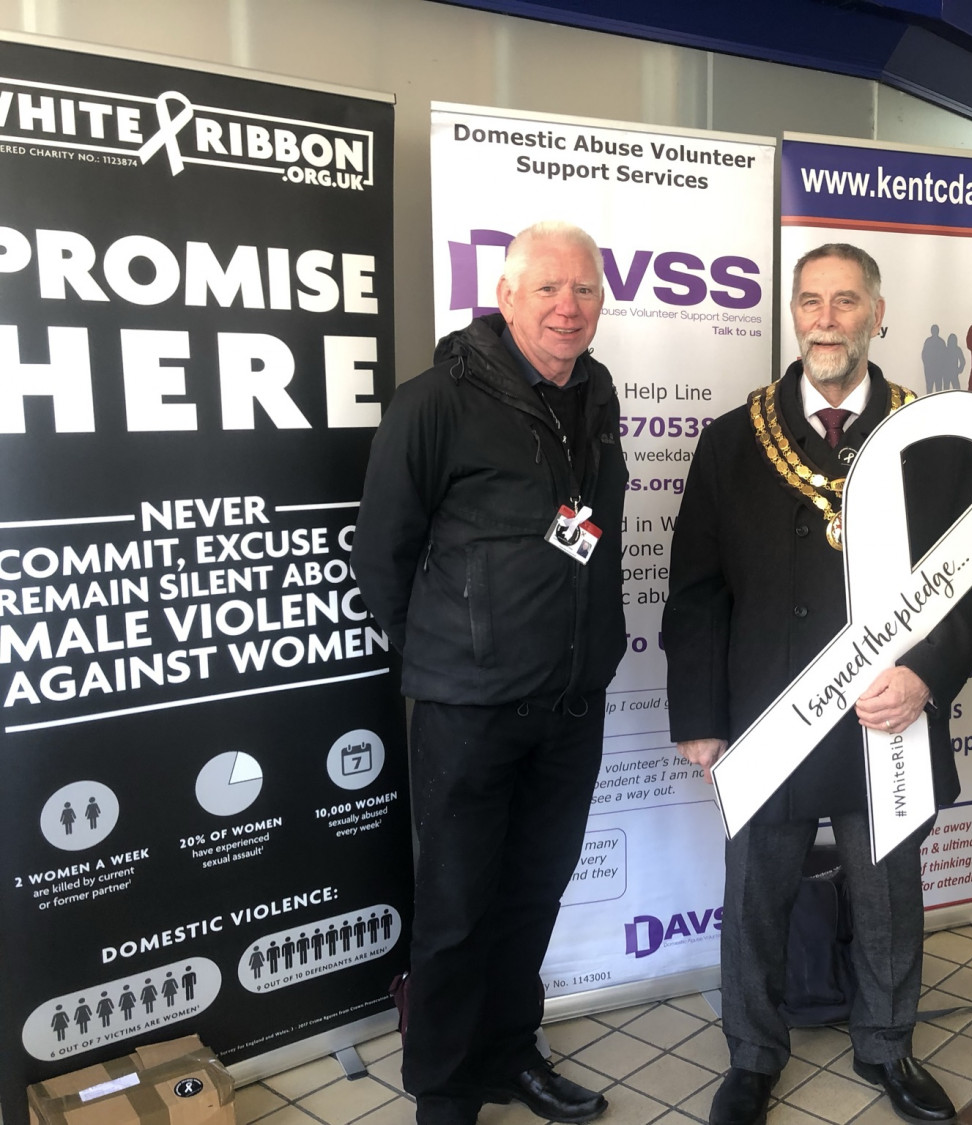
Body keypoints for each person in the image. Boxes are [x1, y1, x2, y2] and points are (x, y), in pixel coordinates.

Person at [665, 243, 972, 1125]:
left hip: (884, 714)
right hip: (770, 721)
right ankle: (751, 1055)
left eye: (845, 301)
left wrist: (926, 676)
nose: (825, 318)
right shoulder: (734, 439)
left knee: (889, 892)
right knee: (756, 896)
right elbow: (696, 592)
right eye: (810, 301)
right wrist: (700, 717)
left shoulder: (930, 438)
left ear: (877, 315)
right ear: (793, 315)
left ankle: (888, 1045)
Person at [354, 221, 627, 1125]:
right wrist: (448, 654)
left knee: (532, 892)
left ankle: (511, 1053)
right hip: (466, 707)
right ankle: (444, 1089)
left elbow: (592, 531)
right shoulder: (434, 400)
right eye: (548, 288)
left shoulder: (596, 393)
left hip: (571, 700)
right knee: (458, 908)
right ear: (505, 296)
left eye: (584, 289)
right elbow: (383, 555)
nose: (567, 306)